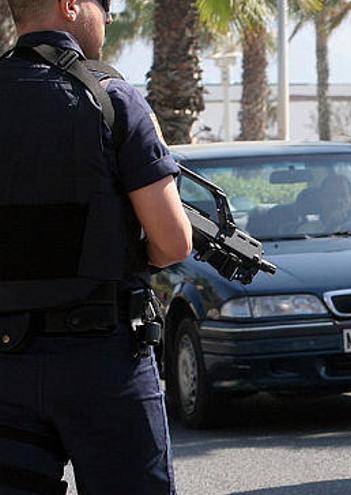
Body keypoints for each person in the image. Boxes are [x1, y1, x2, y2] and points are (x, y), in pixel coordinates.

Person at [0, 1, 191, 494]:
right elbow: (172, 242)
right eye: (104, 5)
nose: (108, 18)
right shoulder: (112, 98)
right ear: (69, 5)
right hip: (102, 360)